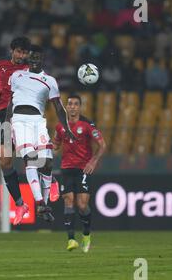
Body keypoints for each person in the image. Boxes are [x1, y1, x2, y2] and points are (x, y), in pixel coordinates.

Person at [8, 44, 76, 223]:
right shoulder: (16, 75)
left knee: (46, 163)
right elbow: (10, 102)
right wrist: (6, 126)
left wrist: (67, 129)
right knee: (31, 161)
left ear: (42, 59)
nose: (34, 60)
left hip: (38, 121)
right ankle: (39, 202)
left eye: (38, 57)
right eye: (32, 56)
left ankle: (44, 206)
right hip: (19, 120)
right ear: (28, 58)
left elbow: (58, 108)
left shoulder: (50, 81)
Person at [53, 94, 106, 253]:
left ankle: (86, 234)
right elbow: (55, 144)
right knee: (68, 201)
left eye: (76, 104)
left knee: (82, 205)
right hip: (66, 168)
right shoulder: (60, 126)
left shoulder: (88, 124)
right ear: (66, 107)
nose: (73, 107)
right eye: (70, 104)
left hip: (83, 169)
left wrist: (93, 161)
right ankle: (71, 239)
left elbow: (102, 145)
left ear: (80, 107)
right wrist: (46, 146)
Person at [0, 36, 32, 225]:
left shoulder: (29, 70)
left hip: (20, 114)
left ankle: (50, 180)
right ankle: (20, 203)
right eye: (18, 51)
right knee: (4, 160)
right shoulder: (0, 65)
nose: (21, 55)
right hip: (2, 115)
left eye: (24, 52)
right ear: (12, 50)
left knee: (30, 156)